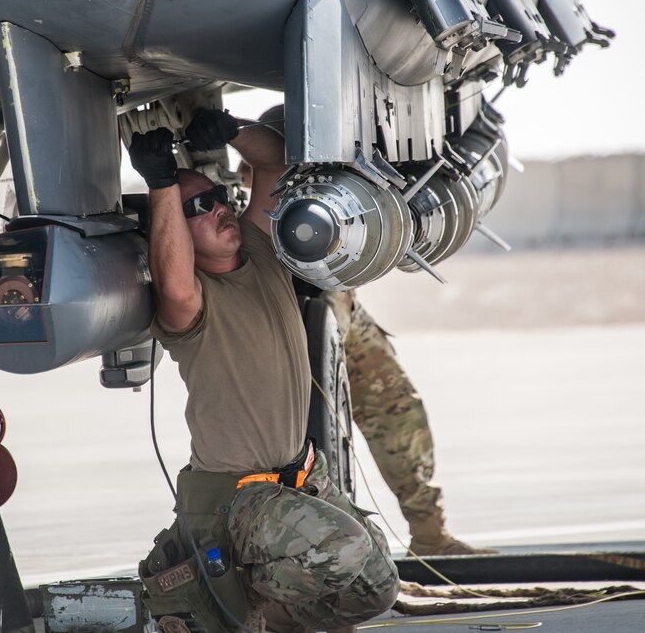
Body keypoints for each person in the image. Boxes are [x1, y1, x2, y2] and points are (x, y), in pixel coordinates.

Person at [129, 119, 400, 633]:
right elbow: (176, 287)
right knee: (340, 551)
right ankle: (223, 592)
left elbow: (274, 164)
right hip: (235, 498)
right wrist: (161, 185)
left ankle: (266, 617)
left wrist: (230, 130)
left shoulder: (258, 247)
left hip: (297, 479)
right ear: (174, 235)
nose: (219, 209)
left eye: (217, 197)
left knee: (375, 589)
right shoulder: (189, 308)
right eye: (199, 209)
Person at [232, 106, 491, 557]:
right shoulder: (266, 185)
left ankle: (429, 533)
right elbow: (264, 165)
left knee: (396, 408)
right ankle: (331, 554)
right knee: (313, 439)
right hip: (287, 311)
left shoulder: (323, 164)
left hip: (336, 300)